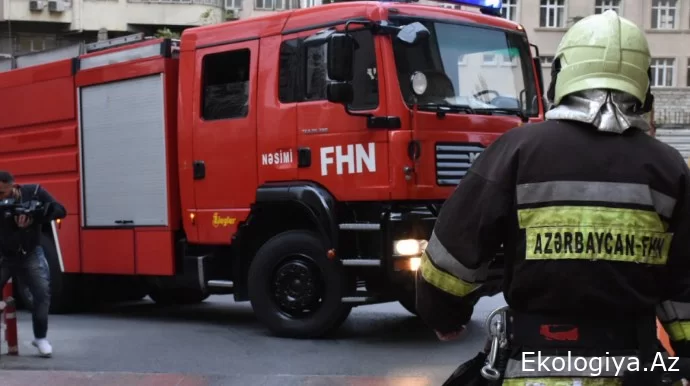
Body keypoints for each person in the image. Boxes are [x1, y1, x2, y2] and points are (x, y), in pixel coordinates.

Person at [415, 10, 690, 385]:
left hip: (533, 366)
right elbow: (684, 283)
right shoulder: (669, 168)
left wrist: (444, 316)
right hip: (640, 368)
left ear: (561, 75)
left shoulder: (515, 151)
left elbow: (452, 255)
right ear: (642, 87)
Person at [0, 170, 66, 357]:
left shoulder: (34, 192)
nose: (0, 197)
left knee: (42, 293)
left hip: (30, 253)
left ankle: (40, 338)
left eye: (2, 193)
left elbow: (61, 210)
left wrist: (36, 217)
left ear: (13, 186)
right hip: (4, 255)